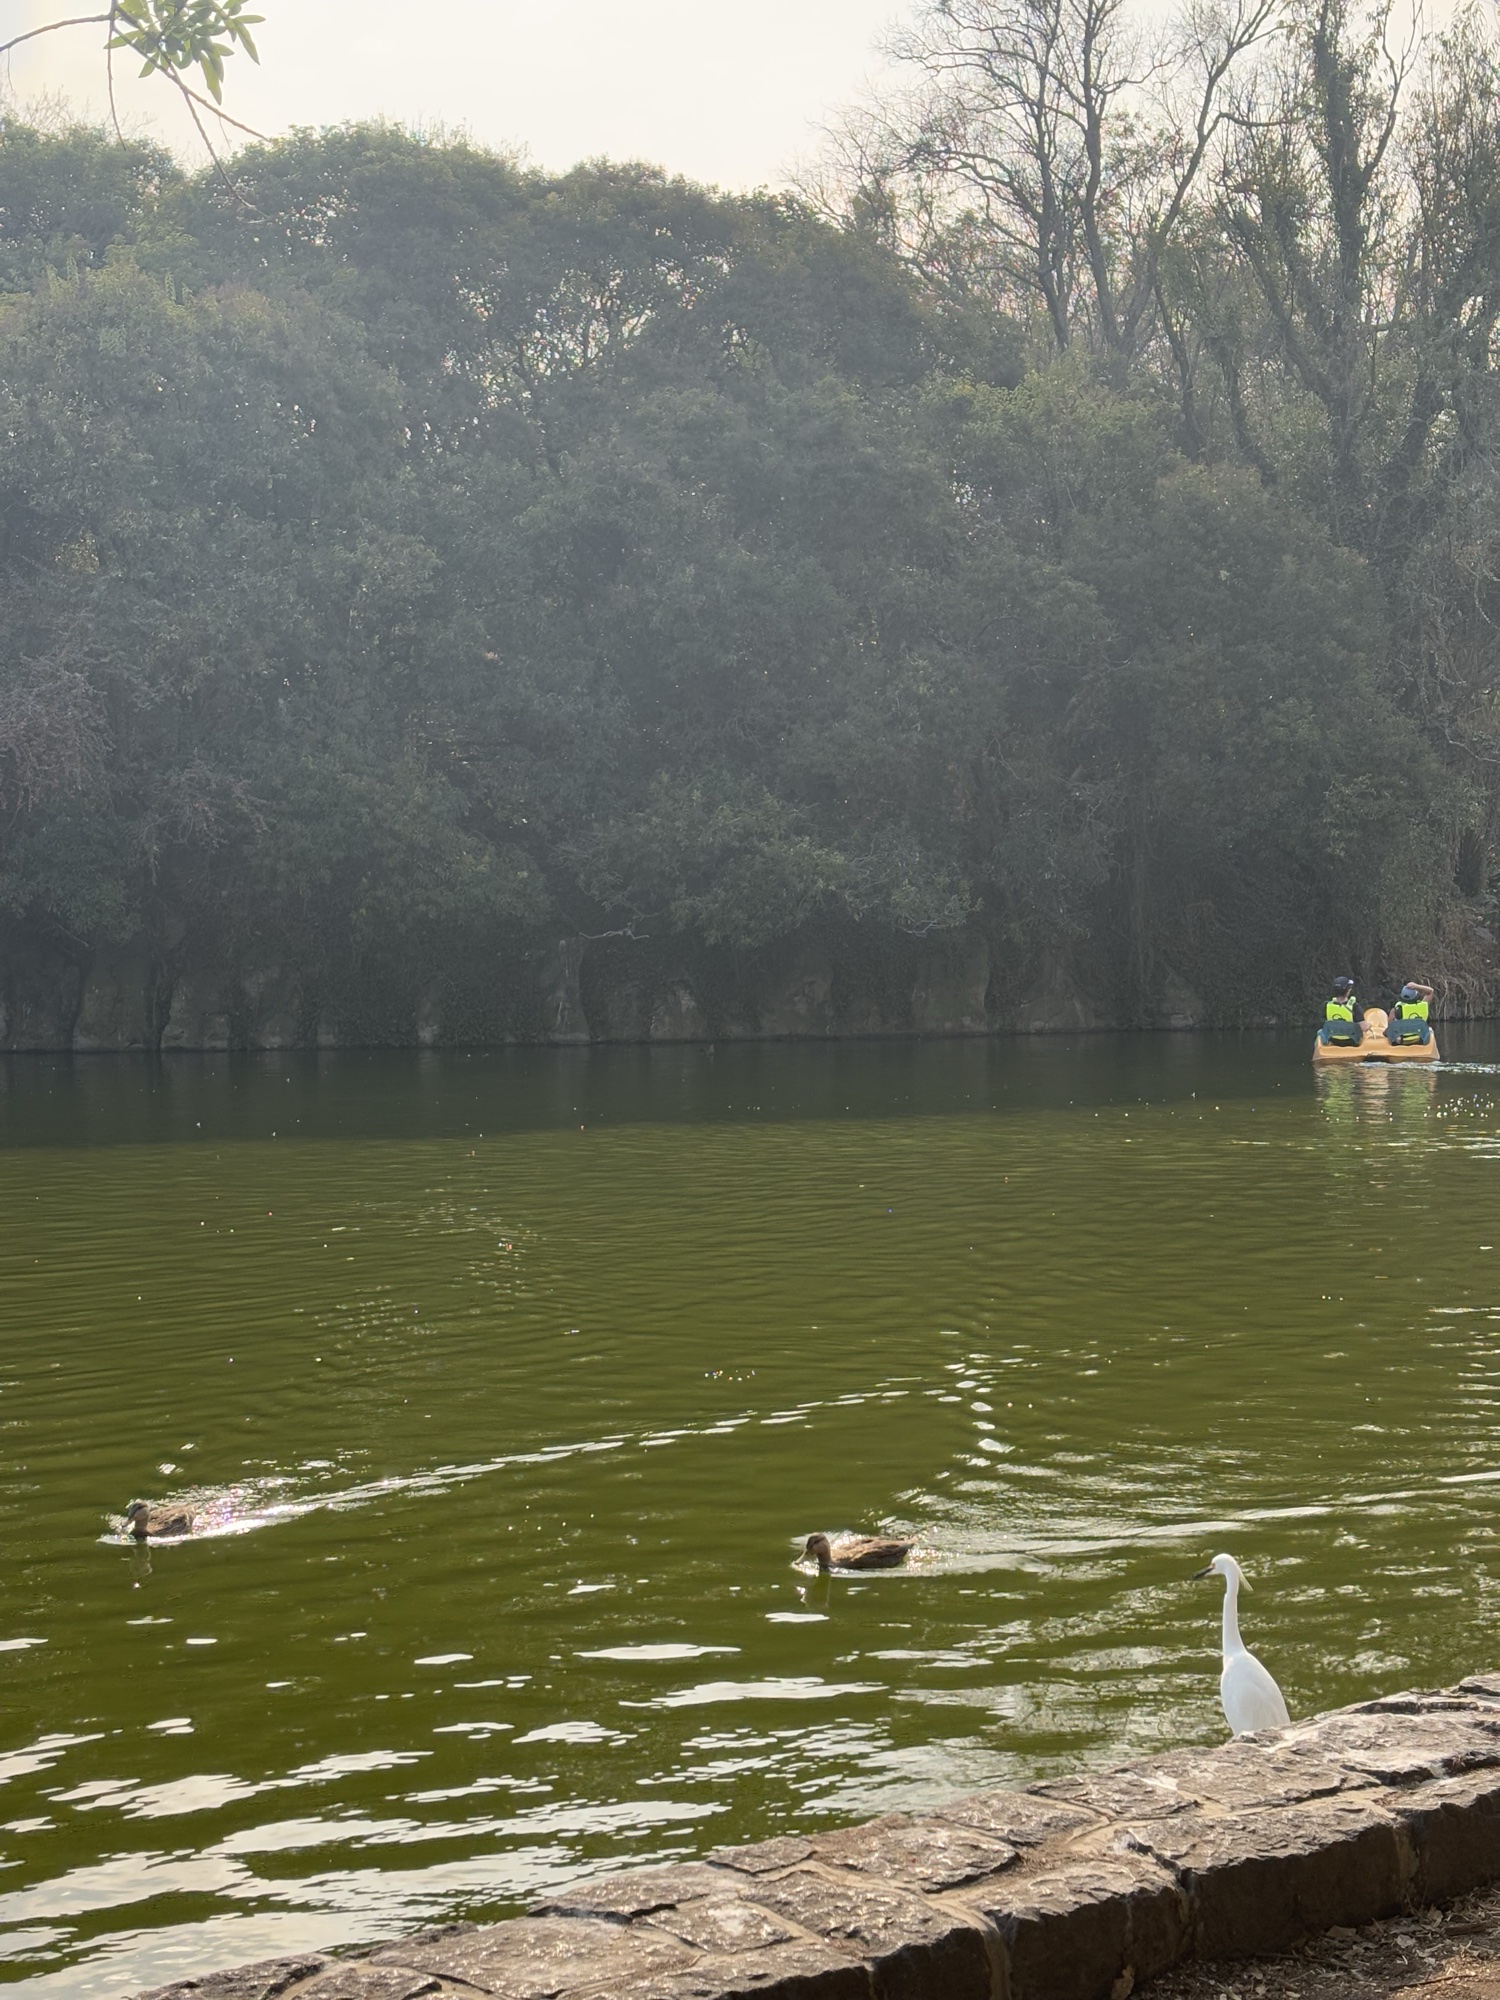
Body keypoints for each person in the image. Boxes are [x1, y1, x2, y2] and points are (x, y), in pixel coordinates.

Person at [1319, 977, 1365, 1047]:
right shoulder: (1355, 1006)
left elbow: (1324, 1024)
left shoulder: (1326, 1005)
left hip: (1333, 1040)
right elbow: (1363, 1027)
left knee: (1319, 1032)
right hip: (1351, 1042)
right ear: (1348, 991)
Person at [1386, 981, 1435, 1046]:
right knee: (1430, 1029)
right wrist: (1416, 986)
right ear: (1415, 996)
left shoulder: (1396, 1009)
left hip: (1402, 1041)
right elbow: (1430, 991)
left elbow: (1390, 1028)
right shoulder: (1423, 1005)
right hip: (1419, 1040)